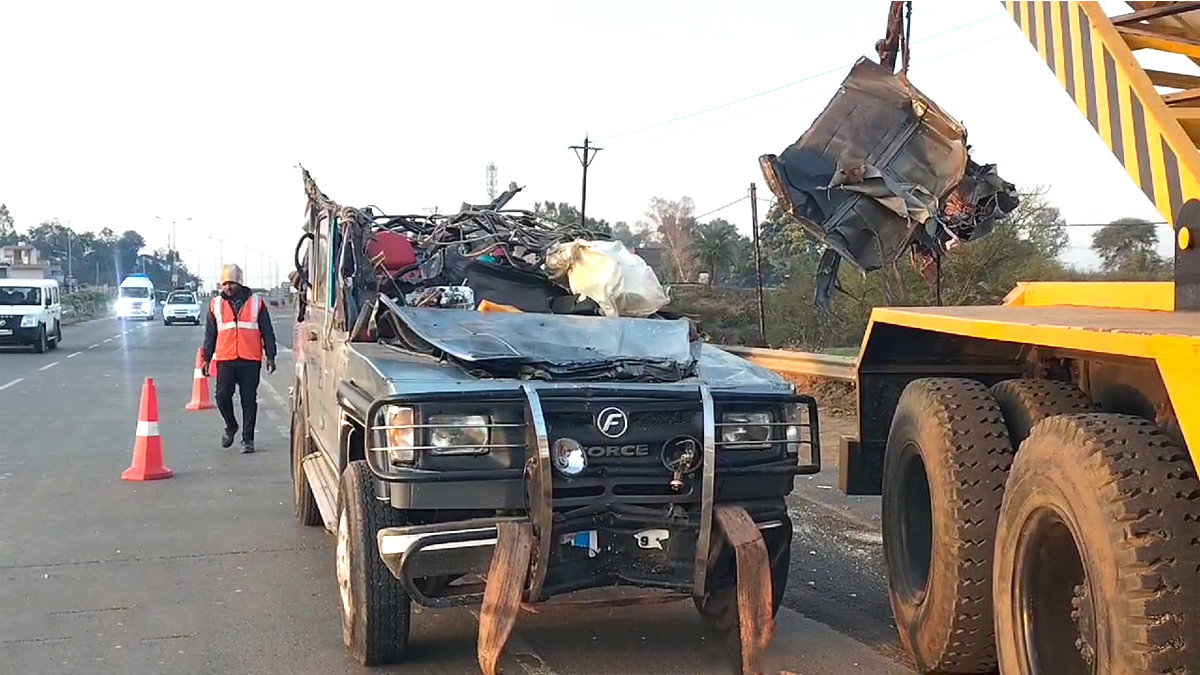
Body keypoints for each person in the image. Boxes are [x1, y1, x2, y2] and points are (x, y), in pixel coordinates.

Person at [201, 264, 278, 453]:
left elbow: (267, 331)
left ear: (240, 283)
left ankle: (248, 440)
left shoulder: (256, 303)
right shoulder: (215, 305)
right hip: (226, 358)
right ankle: (231, 425)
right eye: (224, 284)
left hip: (250, 359)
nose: (227, 287)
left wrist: (271, 356)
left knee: (248, 400)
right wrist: (206, 358)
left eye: (231, 283)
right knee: (221, 396)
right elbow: (210, 334)